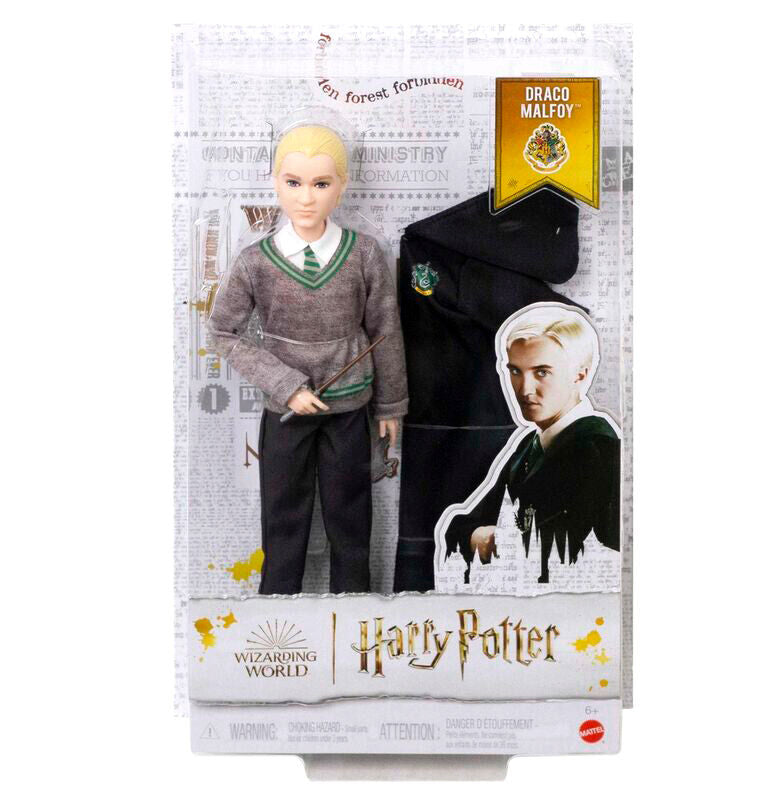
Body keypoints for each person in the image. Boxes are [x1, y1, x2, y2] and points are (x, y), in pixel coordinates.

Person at [207, 124, 408, 594]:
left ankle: (354, 610)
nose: (306, 198)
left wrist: (391, 405)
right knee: (283, 519)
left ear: (342, 185)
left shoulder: (363, 254)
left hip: (349, 411)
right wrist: (286, 385)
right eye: (293, 182)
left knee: (351, 520)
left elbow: (385, 330)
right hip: (286, 415)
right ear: (275, 181)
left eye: (321, 183)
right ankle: (276, 612)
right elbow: (221, 332)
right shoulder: (255, 261)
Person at [438, 304, 619, 584]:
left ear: (580, 374)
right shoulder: (528, 446)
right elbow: (459, 526)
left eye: (542, 372)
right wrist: (482, 536)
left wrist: (494, 538)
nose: (524, 389)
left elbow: (581, 556)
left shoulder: (601, 451)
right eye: (515, 371)